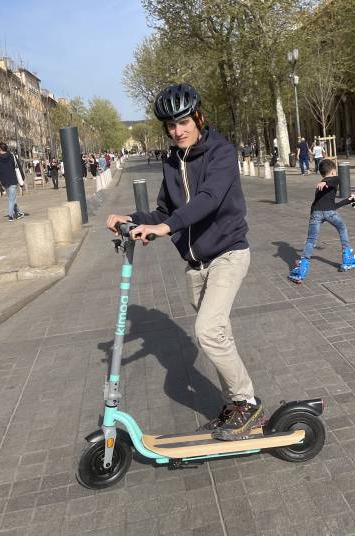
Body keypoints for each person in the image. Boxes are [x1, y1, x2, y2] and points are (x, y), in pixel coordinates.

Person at [106, 83, 263, 441]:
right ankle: (236, 405)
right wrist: (130, 219)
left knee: (208, 332)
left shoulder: (221, 153)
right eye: (170, 126)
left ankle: (247, 404)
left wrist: (166, 227)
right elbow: (164, 209)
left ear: (198, 117)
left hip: (229, 254)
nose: (178, 131)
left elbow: (207, 199)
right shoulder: (172, 161)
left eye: (183, 122)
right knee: (218, 335)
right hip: (197, 265)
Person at [288, 158, 355, 284]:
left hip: (317, 213)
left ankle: (302, 269)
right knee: (342, 228)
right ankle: (347, 257)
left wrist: (349, 200)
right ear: (333, 172)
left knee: (311, 240)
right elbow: (333, 181)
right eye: (335, 172)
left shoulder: (322, 186)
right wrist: (326, 182)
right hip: (329, 213)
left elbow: (330, 204)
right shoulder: (331, 181)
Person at [0, 143, 25, 221]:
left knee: (11, 198)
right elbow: (17, 166)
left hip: (4, 180)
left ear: (0, 149)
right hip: (12, 179)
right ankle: (10, 215)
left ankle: (18, 212)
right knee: (11, 199)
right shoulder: (12, 156)